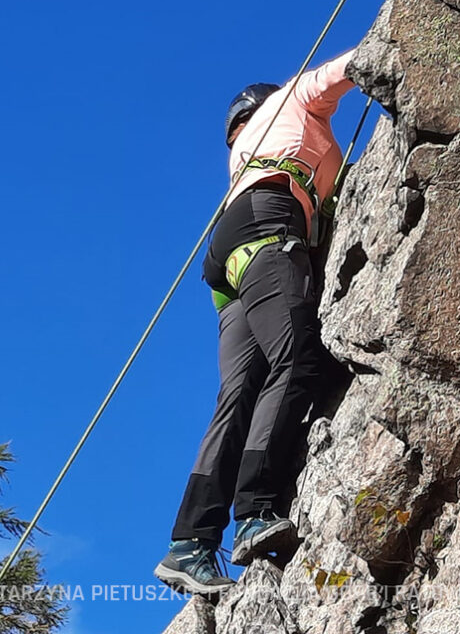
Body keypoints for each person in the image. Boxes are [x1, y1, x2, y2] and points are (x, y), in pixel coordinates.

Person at [154, 49, 358, 595]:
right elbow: (341, 71)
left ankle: (190, 543)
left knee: (239, 392)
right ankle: (255, 509)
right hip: (269, 220)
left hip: (229, 251)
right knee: (298, 359)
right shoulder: (290, 102)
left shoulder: (245, 152)